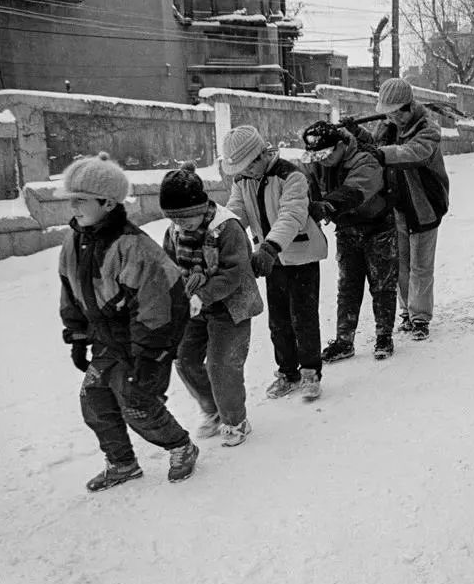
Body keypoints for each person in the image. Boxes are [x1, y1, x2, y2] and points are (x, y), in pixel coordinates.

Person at [57, 152, 198, 491]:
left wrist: (151, 357)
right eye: (70, 199)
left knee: (137, 402)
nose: (72, 206)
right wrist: (77, 334)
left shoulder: (135, 248)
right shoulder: (75, 240)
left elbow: (161, 305)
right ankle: (122, 463)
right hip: (106, 339)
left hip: (145, 344)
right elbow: (70, 288)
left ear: (107, 202)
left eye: (81, 199)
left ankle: (180, 445)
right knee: (94, 399)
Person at [221, 125, 327, 401]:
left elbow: (291, 216)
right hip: (270, 260)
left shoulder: (291, 175)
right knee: (278, 321)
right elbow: (236, 212)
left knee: (303, 317)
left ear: (259, 155)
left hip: (300, 255)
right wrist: (219, 234)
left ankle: (310, 372)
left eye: (247, 166)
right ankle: (287, 372)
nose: (244, 173)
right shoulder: (242, 180)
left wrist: (269, 247)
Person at [160, 162, 262, 447]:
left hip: (231, 306)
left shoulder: (227, 227)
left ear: (200, 207)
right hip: (195, 307)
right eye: (175, 219)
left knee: (222, 365)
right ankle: (212, 409)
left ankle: (235, 419)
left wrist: (201, 295)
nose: (181, 225)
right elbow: (168, 267)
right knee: (184, 358)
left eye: (187, 219)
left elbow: (234, 273)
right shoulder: (174, 231)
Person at [346, 77, 449, 341]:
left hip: (425, 205)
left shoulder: (428, 128)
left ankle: (421, 317)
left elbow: (413, 153)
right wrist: (356, 133)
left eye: (396, 114)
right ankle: (407, 311)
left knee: (421, 266)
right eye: (388, 114)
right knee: (401, 263)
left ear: (407, 107)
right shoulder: (388, 126)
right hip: (397, 205)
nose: (392, 119)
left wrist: (382, 154)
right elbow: (376, 146)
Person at [298, 121, 394, 362]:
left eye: (326, 155)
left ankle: (384, 336)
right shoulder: (317, 165)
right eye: (316, 156)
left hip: (377, 226)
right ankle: (344, 340)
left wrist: (329, 205)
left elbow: (356, 190)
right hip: (347, 229)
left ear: (341, 145)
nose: (321, 161)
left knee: (382, 284)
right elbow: (306, 188)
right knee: (348, 286)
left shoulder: (365, 159)